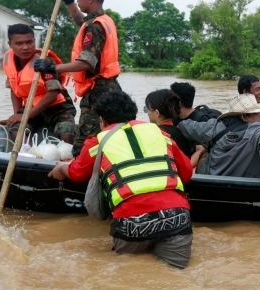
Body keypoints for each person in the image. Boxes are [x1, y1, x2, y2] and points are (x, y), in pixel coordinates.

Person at [48, 91, 193, 269]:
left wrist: (61, 168)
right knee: (175, 274)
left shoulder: (98, 142)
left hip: (133, 222)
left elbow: (77, 173)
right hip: (177, 218)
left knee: (128, 274)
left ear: (102, 120)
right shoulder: (160, 133)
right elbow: (186, 174)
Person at [34, 0, 121, 157]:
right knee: (99, 137)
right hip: (108, 87)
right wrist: (68, 1)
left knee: (84, 144)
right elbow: (80, 21)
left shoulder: (95, 27)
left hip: (99, 91)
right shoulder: (102, 20)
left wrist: (52, 68)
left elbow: (86, 63)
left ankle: (80, 178)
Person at [177, 94, 260, 192]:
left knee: (203, 153)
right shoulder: (258, 131)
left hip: (213, 185)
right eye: (257, 114)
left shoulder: (214, 126)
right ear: (245, 116)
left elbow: (186, 127)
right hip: (246, 188)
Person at [0, 24, 76, 143]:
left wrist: (25, 116)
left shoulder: (44, 60)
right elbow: (14, 90)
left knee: (67, 132)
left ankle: (67, 158)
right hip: (31, 108)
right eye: (19, 43)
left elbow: (53, 92)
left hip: (58, 109)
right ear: (10, 45)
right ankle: (25, 155)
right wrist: (17, 116)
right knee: (16, 129)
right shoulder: (8, 60)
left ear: (34, 41)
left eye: (29, 42)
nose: (25, 47)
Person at [144, 89, 195, 159]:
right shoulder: (183, 130)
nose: (148, 113)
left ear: (157, 113)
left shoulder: (155, 134)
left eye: (147, 109)